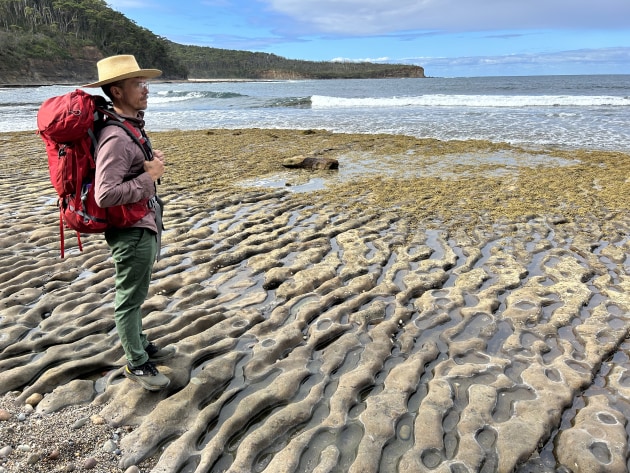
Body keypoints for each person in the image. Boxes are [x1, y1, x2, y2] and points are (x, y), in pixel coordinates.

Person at [84, 55, 174, 391]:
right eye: (138, 84)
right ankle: (136, 363)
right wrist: (149, 177)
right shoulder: (117, 136)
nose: (146, 89)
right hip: (131, 231)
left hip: (141, 224)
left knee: (136, 293)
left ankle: (141, 345)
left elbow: (129, 175)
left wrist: (149, 165)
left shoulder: (129, 127)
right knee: (130, 298)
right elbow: (105, 195)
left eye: (144, 82)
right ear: (117, 92)